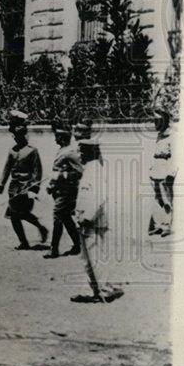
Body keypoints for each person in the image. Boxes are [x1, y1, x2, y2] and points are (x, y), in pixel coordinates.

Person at [71, 135, 124, 303]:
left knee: (95, 257)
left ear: (89, 152)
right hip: (85, 220)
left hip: (92, 221)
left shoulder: (95, 170)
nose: (79, 155)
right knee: (87, 258)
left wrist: (87, 217)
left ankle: (106, 289)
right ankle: (90, 289)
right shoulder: (89, 169)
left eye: (81, 151)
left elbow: (99, 197)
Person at [0, 123, 49, 250]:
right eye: (14, 135)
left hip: (26, 187)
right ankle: (26, 239)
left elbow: (37, 171)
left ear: (24, 136)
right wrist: (1, 183)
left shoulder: (32, 151)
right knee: (16, 215)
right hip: (13, 187)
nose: (16, 138)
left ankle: (38, 230)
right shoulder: (12, 151)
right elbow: (7, 168)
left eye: (18, 135)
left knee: (19, 213)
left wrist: (34, 189)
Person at [44, 125, 84, 259]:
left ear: (63, 137)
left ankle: (53, 248)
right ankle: (78, 245)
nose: (55, 138)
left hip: (68, 190)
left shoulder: (71, 151)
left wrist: (61, 176)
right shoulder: (62, 150)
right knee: (65, 217)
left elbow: (79, 172)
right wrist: (51, 185)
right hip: (59, 190)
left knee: (57, 216)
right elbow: (56, 170)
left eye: (57, 136)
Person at [148, 107, 175, 237]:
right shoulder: (159, 136)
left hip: (164, 172)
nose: (155, 123)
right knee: (157, 199)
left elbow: (175, 157)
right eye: (154, 120)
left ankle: (166, 226)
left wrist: (171, 174)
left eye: (158, 120)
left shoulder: (171, 136)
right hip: (156, 171)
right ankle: (158, 225)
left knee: (166, 200)